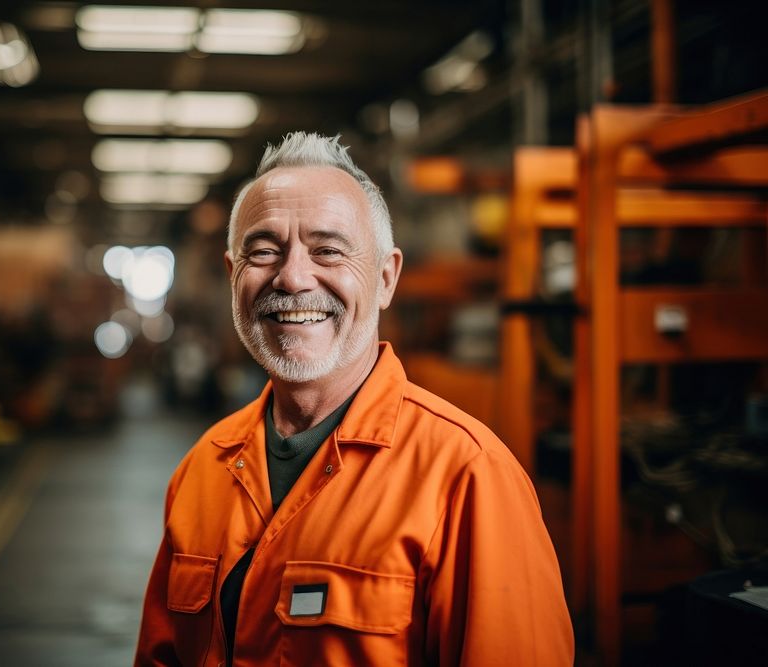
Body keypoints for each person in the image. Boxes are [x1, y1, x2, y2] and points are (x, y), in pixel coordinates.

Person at [135, 133, 574, 666]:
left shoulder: (466, 476)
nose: (293, 277)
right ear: (234, 277)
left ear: (386, 278)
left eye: (328, 250)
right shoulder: (203, 468)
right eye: (264, 250)